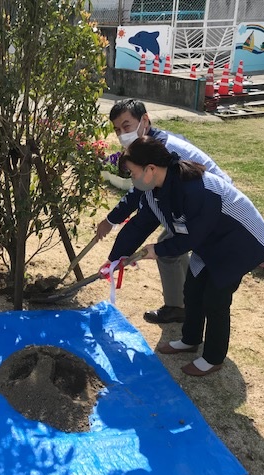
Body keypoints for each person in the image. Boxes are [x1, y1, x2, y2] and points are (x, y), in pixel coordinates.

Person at [102, 136, 264, 376]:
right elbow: (139, 226)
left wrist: (158, 250)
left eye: (133, 172)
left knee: (215, 298)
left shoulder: (197, 189)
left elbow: (192, 238)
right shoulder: (155, 191)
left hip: (241, 242)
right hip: (210, 242)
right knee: (192, 290)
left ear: (150, 169)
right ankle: (190, 339)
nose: (132, 179)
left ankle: (214, 358)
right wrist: (114, 260)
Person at [97, 98, 232, 324]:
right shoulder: (147, 150)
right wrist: (112, 225)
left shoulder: (161, 153)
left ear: (145, 121)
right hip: (195, 206)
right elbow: (139, 195)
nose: (122, 134)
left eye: (127, 126)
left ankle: (182, 306)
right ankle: (187, 303)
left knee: (170, 250)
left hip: (214, 206)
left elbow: (147, 213)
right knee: (173, 248)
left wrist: (116, 257)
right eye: (117, 130)